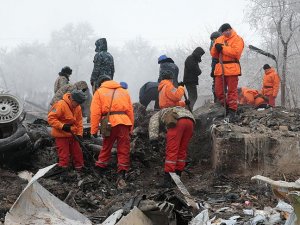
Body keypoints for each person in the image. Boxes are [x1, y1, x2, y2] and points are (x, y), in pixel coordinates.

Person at [90, 75, 134, 188]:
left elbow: (95, 113)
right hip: (124, 122)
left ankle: (99, 169)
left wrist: (94, 130)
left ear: (100, 83)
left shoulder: (99, 92)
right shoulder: (124, 91)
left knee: (107, 146)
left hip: (110, 123)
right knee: (124, 148)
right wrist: (131, 128)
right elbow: (130, 111)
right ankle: (122, 174)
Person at [149, 106, 195, 188]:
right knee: (182, 151)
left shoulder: (156, 115)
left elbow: (153, 126)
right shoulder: (173, 109)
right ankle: (177, 178)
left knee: (172, 151)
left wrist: (153, 141)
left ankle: (167, 181)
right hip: (190, 122)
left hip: (177, 122)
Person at [210, 23, 244, 121]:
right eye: (225, 31)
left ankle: (232, 112)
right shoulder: (219, 39)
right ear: (223, 32)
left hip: (232, 68)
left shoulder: (238, 39)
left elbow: (236, 53)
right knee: (218, 91)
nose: (227, 32)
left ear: (231, 29)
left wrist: (223, 48)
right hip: (220, 68)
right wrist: (216, 49)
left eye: (229, 29)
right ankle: (226, 108)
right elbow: (213, 54)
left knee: (232, 91)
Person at [48, 90, 87, 173]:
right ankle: (63, 172)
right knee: (64, 156)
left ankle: (80, 171)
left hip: (73, 135)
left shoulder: (77, 107)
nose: (79, 105)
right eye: (78, 103)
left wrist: (80, 134)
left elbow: (79, 122)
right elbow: (51, 119)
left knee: (78, 154)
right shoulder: (60, 104)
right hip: (61, 136)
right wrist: (62, 126)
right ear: (72, 100)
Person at [210, 31, 221, 102]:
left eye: (214, 39)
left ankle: (218, 101)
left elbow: (215, 60)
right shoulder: (214, 46)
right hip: (217, 69)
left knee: (218, 86)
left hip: (220, 70)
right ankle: (217, 100)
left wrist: (213, 71)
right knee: (216, 86)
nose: (214, 41)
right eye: (213, 40)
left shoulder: (218, 46)